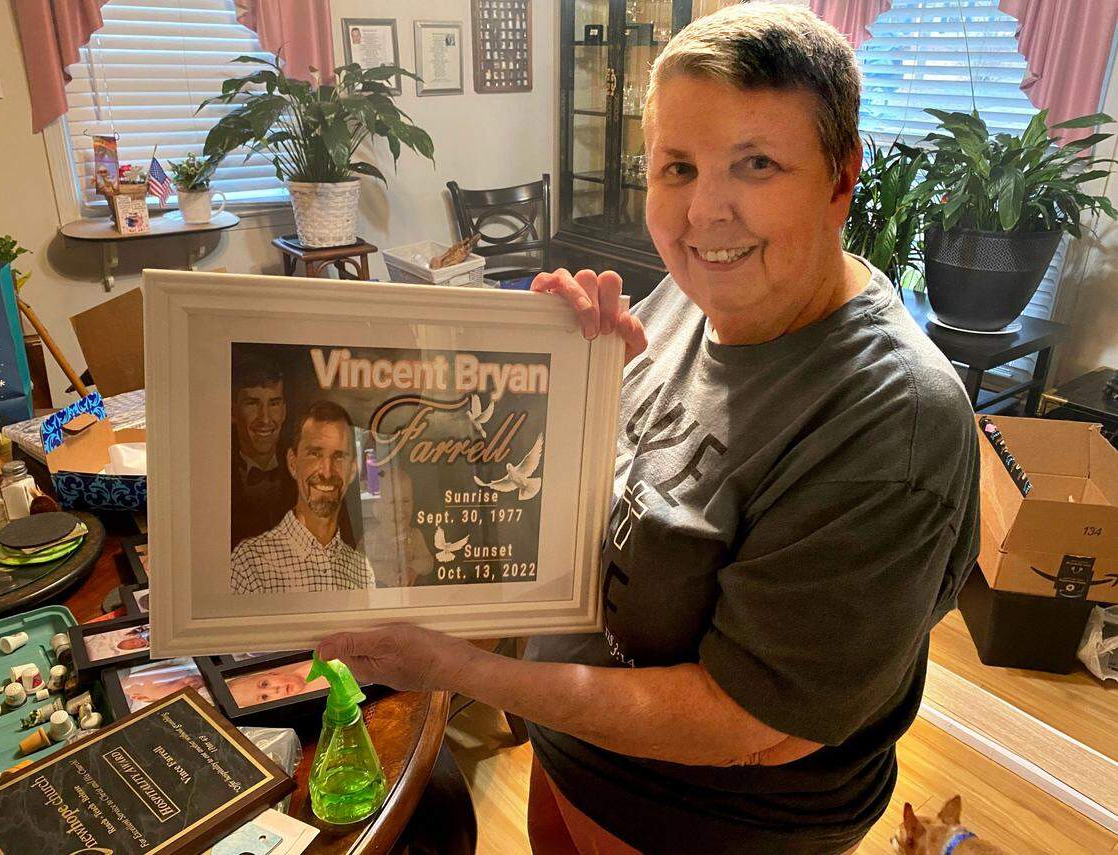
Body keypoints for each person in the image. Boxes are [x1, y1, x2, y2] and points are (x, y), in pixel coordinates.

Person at [315, 5, 980, 853]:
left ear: (842, 178)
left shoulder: (890, 421)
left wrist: (457, 668)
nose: (705, 212)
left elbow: (746, 722)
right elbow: (608, 500)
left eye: (757, 164)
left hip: (703, 822)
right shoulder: (689, 297)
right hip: (576, 753)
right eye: (677, 166)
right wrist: (558, 392)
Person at [231, 401, 375, 593]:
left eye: (339, 456)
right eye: (315, 454)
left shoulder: (362, 570)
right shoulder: (249, 565)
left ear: (352, 471)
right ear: (292, 463)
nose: (326, 471)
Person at [230, 354, 294, 548]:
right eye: (252, 403)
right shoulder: (211, 470)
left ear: (284, 410)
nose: (265, 418)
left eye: (274, 403)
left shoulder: (306, 469)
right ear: (232, 412)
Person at [364, 465, 434, 588]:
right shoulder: (371, 539)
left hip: (411, 600)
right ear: (377, 509)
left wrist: (413, 569)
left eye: (406, 501)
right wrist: (382, 573)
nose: (400, 509)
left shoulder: (415, 536)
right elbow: (358, 566)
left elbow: (428, 562)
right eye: (393, 502)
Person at [226, 659, 326, 708]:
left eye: (264, 684)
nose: (274, 690)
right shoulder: (307, 705)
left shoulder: (312, 663)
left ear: (274, 674)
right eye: (264, 697)